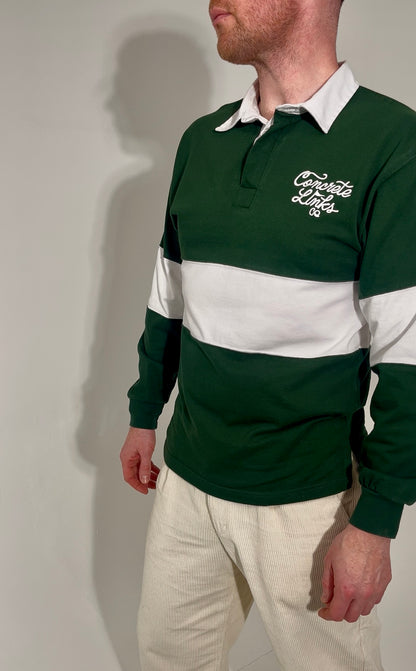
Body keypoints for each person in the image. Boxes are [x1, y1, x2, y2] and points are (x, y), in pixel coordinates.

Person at [120, 1, 416, 668]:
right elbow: (170, 295)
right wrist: (144, 412)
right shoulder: (203, 141)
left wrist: (377, 520)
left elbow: (409, 353)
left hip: (309, 502)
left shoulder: (392, 142)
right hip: (187, 483)